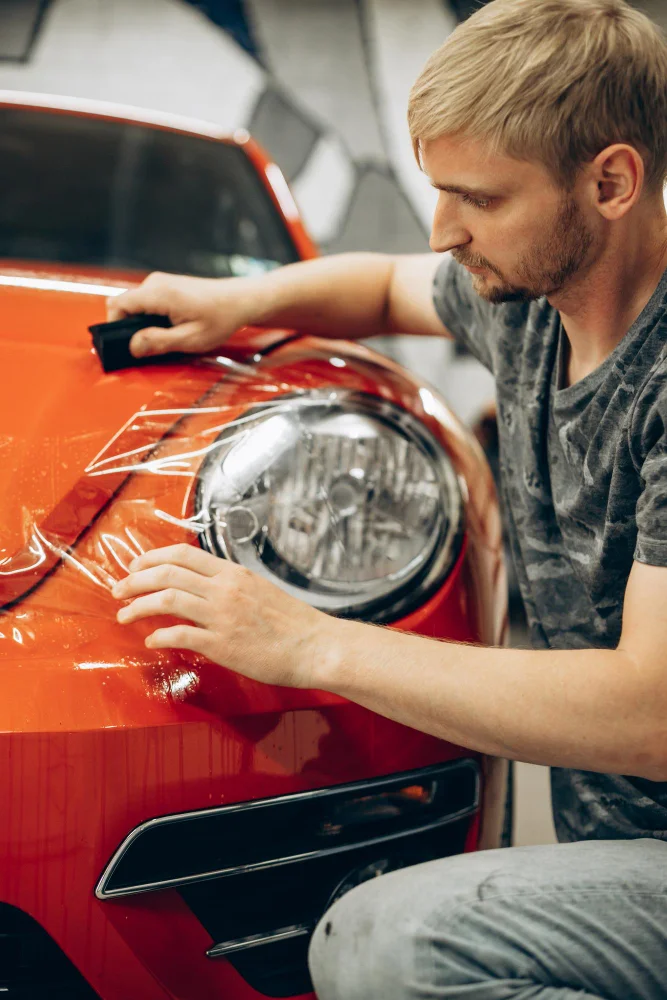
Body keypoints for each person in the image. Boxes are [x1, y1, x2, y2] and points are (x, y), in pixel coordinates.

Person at [109, 0, 667, 995]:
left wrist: (310, 641)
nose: (443, 230)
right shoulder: (530, 302)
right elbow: (382, 288)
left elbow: (649, 712)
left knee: (389, 943)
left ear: (611, 182)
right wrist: (229, 303)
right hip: (627, 853)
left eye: (478, 199)